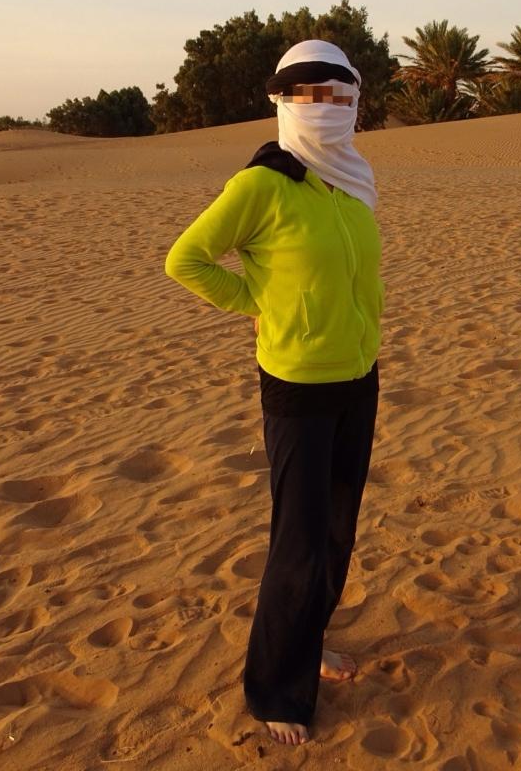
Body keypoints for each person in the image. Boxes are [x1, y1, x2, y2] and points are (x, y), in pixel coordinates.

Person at [164, 40, 383, 746]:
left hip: (359, 376)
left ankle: (307, 642)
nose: (329, 108)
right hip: (298, 384)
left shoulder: (351, 179)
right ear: (285, 102)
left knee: (338, 529)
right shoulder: (261, 185)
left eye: (341, 95)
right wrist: (253, 302)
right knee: (299, 540)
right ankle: (274, 689)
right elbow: (185, 260)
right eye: (312, 95)